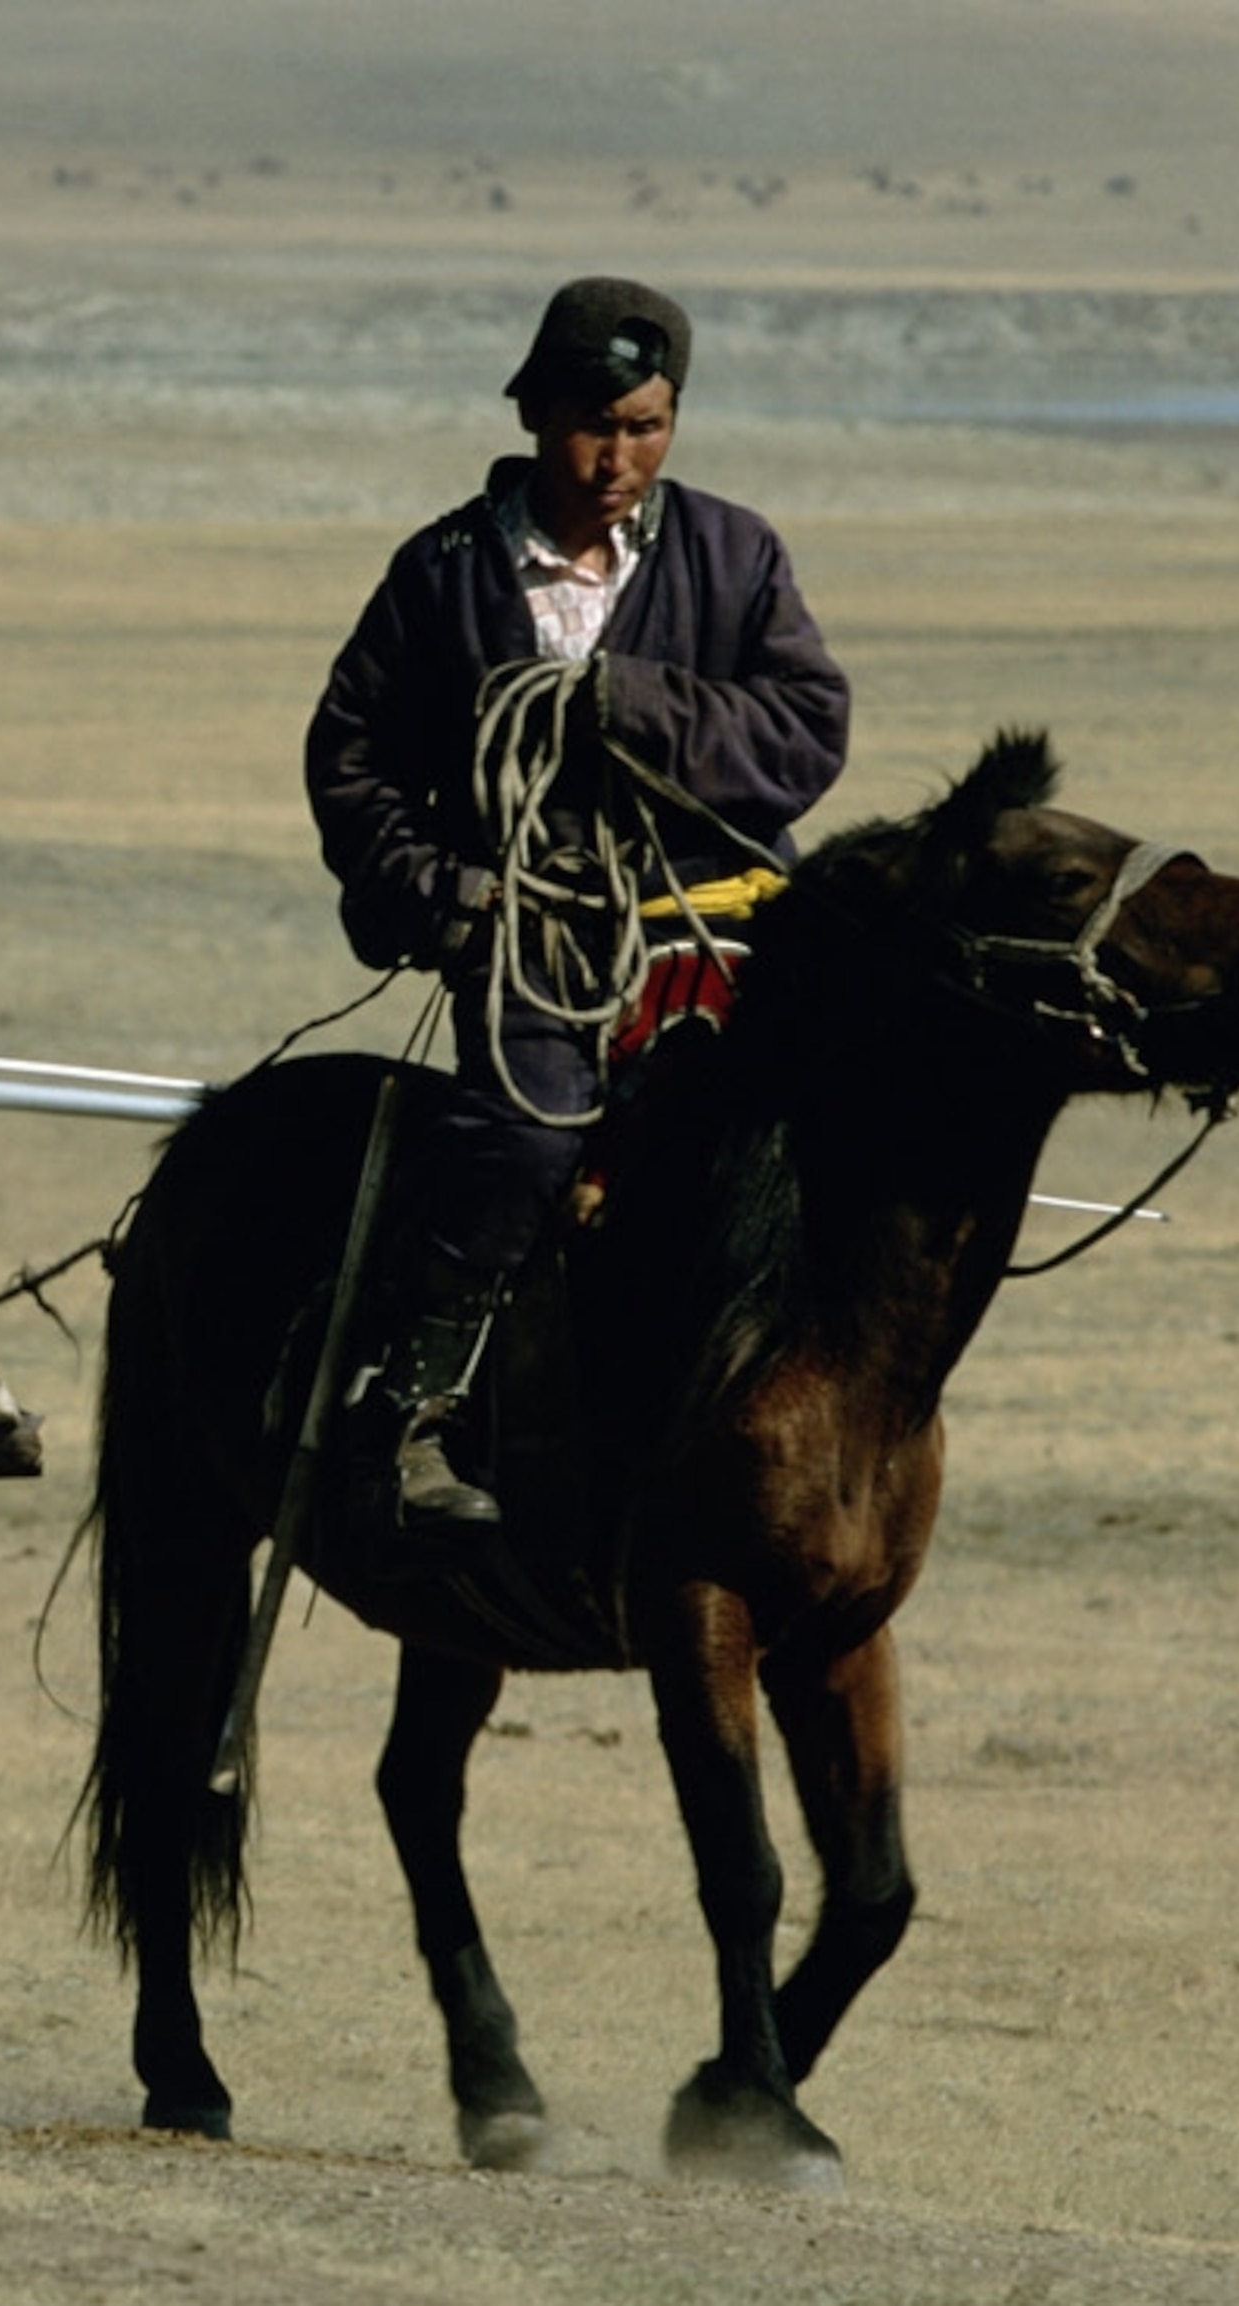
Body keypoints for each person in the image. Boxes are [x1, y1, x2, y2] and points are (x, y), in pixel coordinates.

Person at [302, 276, 850, 1544]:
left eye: (649, 425)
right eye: (595, 424)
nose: (620, 458)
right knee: (531, 1140)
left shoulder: (734, 551)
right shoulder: (443, 573)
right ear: (538, 412)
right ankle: (416, 1405)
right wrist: (440, 893)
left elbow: (810, 729)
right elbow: (352, 754)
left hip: (724, 928)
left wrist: (632, 705)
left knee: (821, 1142)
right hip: (534, 939)